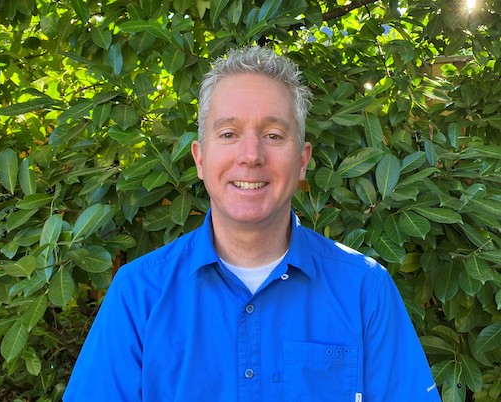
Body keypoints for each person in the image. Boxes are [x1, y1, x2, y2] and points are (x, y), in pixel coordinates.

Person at [63, 46, 441, 401]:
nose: (250, 156)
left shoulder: (365, 290)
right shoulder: (138, 294)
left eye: (273, 135)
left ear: (302, 160)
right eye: (228, 134)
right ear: (200, 158)